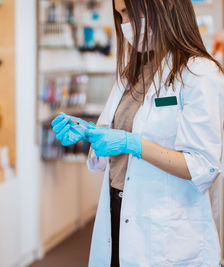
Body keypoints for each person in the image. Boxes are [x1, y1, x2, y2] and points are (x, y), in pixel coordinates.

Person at [52, 0, 224, 266]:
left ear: (165, 6)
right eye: (120, 15)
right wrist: (88, 133)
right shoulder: (131, 74)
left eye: (131, 14)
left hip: (165, 231)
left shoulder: (199, 74)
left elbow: (203, 166)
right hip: (117, 212)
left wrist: (133, 144)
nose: (126, 26)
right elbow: (112, 134)